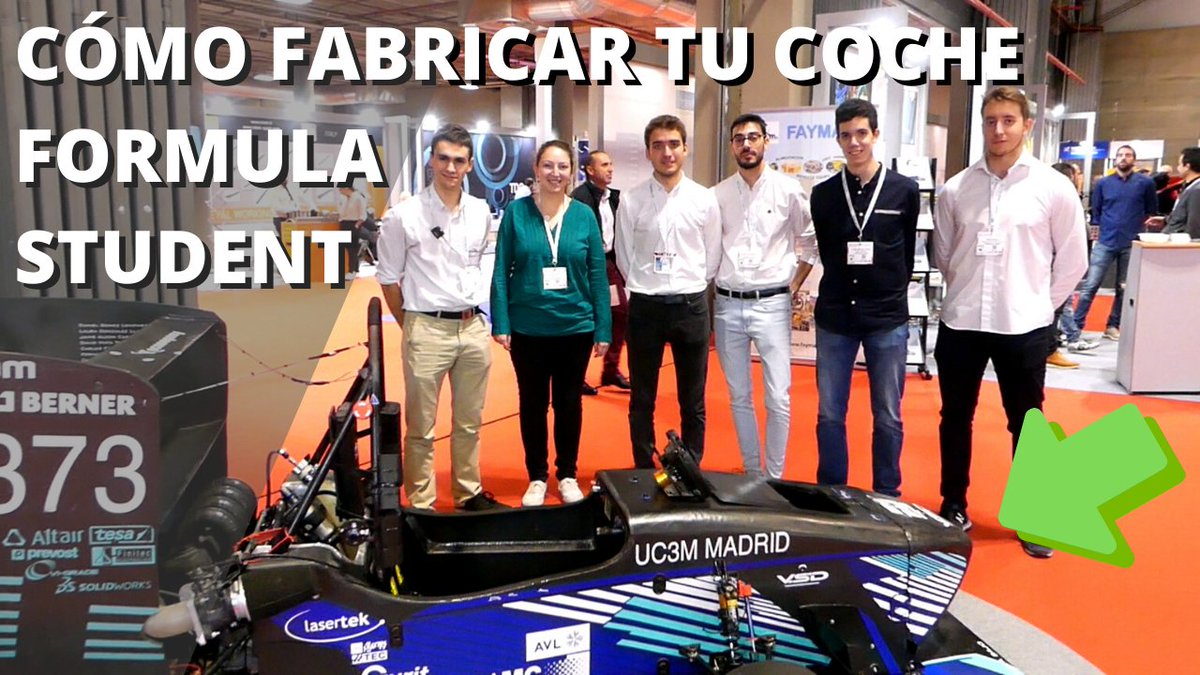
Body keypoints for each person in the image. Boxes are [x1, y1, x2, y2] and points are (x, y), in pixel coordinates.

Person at [932, 87, 1088, 559]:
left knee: (1027, 423)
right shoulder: (956, 189)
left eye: (1008, 120)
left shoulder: (1052, 188)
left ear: (1027, 125)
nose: (998, 130)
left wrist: (1041, 307)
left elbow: (1073, 260)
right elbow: (945, 256)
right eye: (990, 121)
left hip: (1024, 326)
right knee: (954, 418)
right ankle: (952, 505)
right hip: (962, 322)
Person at [376, 124, 503, 512]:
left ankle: (468, 492)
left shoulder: (480, 211)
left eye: (459, 160)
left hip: (473, 327)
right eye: (443, 158)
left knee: (470, 421)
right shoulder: (404, 216)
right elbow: (388, 278)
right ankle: (422, 503)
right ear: (431, 160)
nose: (451, 167)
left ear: (470, 165)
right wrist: (411, 323)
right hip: (426, 327)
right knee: (421, 427)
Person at [491, 140, 612, 506]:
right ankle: (537, 477)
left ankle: (568, 473)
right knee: (532, 404)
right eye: (548, 165)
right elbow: (501, 270)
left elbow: (597, 274)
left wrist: (603, 326)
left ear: (572, 171)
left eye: (562, 167)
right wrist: (501, 321)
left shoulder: (583, 216)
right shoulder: (517, 213)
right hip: (528, 328)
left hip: (575, 327)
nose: (555, 173)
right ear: (536, 169)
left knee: (569, 404)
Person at [809, 99, 919, 497]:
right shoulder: (823, 194)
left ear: (875, 134)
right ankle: (832, 492)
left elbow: (905, 253)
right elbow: (827, 250)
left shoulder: (904, 190)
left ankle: (887, 494)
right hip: (836, 315)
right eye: (846, 135)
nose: (854, 143)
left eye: (861, 133)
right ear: (838, 139)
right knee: (829, 413)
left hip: (886, 316)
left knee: (888, 414)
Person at [712, 113, 817, 480]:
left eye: (753, 137)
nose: (746, 144)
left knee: (778, 396)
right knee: (739, 396)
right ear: (732, 146)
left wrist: (794, 285)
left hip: (773, 303)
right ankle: (753, 472)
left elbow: (810, 242)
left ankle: (774, 476)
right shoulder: (717, 195)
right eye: (739, 138)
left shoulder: (789, 190)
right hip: (728, 304)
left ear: (766, 142)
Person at [615, 115, 721, 468]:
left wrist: (689, 282)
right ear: (648, 152)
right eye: (658, 145)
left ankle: (691, 467)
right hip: (646, 306)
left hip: (691, 306)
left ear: (685, 148)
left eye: (674, 144)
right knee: (642, 398)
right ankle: (644, 468)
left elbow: (712, 254)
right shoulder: (631, 200)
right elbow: (624, 255)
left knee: (693, 399)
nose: (667, 152)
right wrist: (649, 283)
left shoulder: (704, 199)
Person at [1062, 145, 1157, 347]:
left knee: (1124, 288)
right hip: (1105, 240)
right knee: (1090, 286)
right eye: (1120, 155)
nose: (1123, 158)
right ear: (1115, 159)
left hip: (1131, 241)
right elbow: (1096, 211)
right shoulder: (1103, 184)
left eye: (1128, 155)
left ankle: (1113, 325)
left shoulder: (1145, 183)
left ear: (1134, 159)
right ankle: (1076, 326)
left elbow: (1151, 210)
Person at [571, 150, 632, 395]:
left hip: (609, 263)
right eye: (604, 165)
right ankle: (575, 376)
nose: (610, 169)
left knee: (619, 312)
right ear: (590, 170)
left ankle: (610, 370)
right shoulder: (579, 199)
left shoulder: (614, 198)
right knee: (587, 318)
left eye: (611, 164)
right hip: (587, 265)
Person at [1046, 162, 1082, 370]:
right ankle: (1049, 349)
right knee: (1054, 307)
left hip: (1060, 260)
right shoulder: (1057, 195)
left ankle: (1053, 345)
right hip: (1051, 262)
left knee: (1059, 306)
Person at [1155, 147, 1200, 239]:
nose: (1177, 168)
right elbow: (1183, 214)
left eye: (1179, 164)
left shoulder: (1196, 190)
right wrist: (1165, 219)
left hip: (1180, 242)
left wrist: (1190, 244)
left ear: (1187, 166)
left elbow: (1194, 224)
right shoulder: (1188, 186)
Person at [338, 185, 369, 278]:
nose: (340, 191)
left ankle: (351, 271)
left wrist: (356, 225)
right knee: (349, 249)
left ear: (346, 188)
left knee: (352, 249)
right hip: (345, 224)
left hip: (352, 224)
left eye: (341, 189)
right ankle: (354, 270)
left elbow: (363, 215)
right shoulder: (346, 198)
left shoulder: (358, 198)